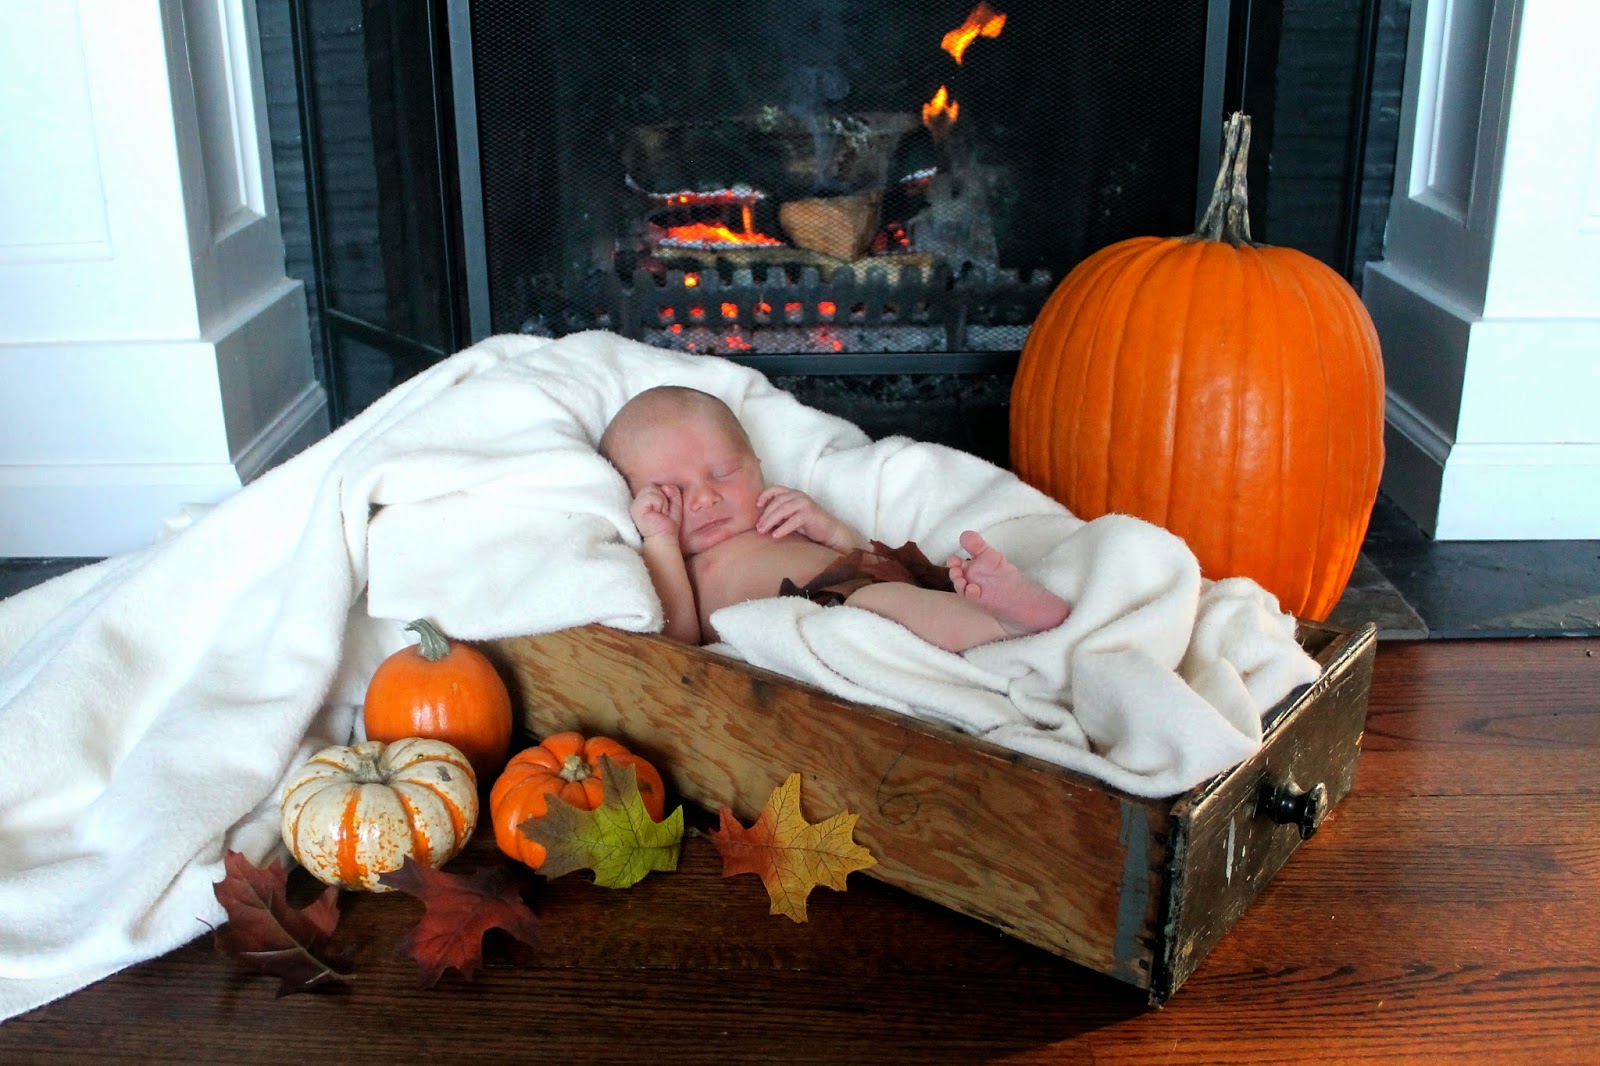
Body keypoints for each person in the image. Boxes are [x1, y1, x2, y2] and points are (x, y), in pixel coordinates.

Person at [598, 385, 1071, 650]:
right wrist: (660, 541)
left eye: (723, 473)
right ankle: (1002, 624)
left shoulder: (773, 520)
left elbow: (862, 558)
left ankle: (999, 615)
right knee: (881, 607)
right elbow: (677, 636)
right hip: (830, 615)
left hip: (862, 586)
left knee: (891, 598)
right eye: (674, 493)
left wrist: (830, 529)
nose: (704, 498)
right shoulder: (681, 567)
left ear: (757, 468)